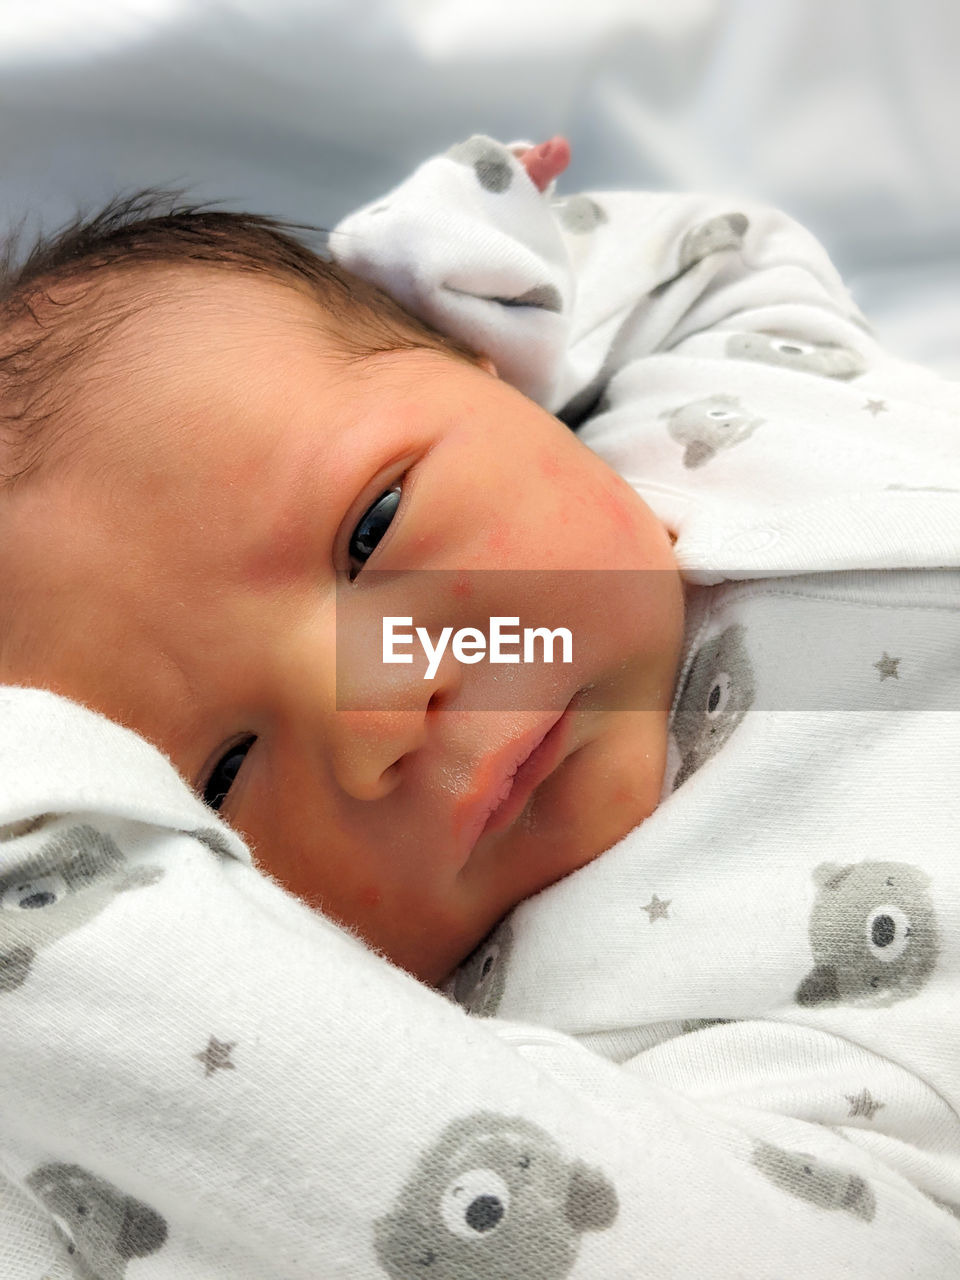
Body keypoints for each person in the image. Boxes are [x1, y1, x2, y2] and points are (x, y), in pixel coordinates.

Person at [0, 135, 958, 1278]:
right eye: (219, 776)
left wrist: (479, 262)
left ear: (486, 368)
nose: (381, 710)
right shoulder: (568, 1072)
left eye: (374, 529)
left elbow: (713, 259)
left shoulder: (717, 392)